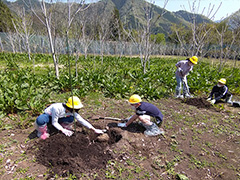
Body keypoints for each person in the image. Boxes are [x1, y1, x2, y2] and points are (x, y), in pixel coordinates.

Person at [35, 96, 104, 140]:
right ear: (70, 107)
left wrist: (94, 129)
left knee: (71, 118)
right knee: (41, 120)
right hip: (49, 117)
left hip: (59, 118)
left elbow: (81, 120)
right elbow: (54, 122)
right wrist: (63, 130)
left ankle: (63, 126)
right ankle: (43, 132)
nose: (76, 111)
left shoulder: (72, 111)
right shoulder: (57, 108)